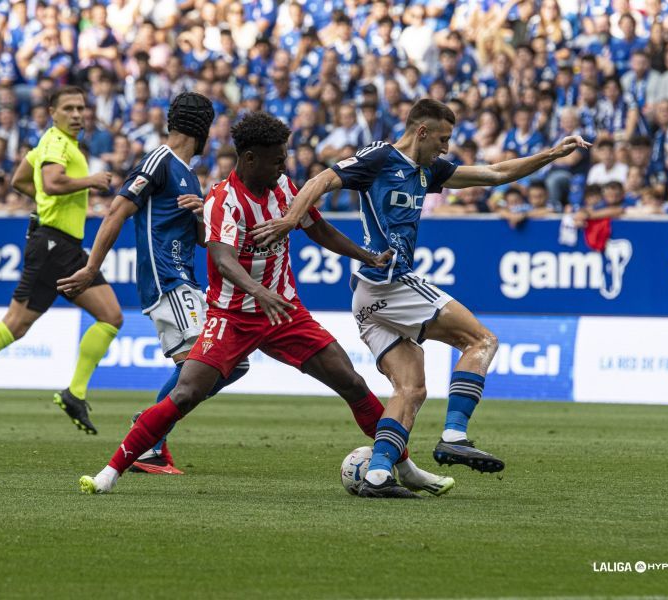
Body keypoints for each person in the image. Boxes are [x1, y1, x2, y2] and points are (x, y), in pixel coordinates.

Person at [78, 111, 455, 497]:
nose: (283, 165)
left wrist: (364, 255)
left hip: (286, 314)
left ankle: (402, 466)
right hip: (232, 316)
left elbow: (319, 228)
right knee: (186, 393)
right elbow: (223, 259)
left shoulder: (286, 190)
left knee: (351, 382)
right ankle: (111, 470)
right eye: (277, 159)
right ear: (250, 158)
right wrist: (258, 292)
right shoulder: (223, 200)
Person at [251, 99, 589, 498]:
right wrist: (292, 219)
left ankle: (377, 475)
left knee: (410, 390)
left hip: (366, 298)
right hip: (389, 281)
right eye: (443, 139)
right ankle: (454, 434)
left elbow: (495, 173)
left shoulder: (428, 170)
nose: (446, 148)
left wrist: (551, 153)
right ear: (422, 132)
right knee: (481, 340)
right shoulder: (379, 158)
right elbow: (319, 181)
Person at [57, 92, 249, 475]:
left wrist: (203, 213)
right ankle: (149, 440)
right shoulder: (159, 161)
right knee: (202, 362)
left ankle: (150, 423)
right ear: (204, 129)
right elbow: (117, 210)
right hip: (167, 281)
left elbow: (199, 239)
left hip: (187, 281)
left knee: (236, 363)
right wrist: (92, 267)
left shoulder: (188, 174)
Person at [0, 87, 122, 434]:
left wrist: (50, 201)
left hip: (58, 245)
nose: (77, 114)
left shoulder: (52, 142)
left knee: (19, 325)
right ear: (53, 112)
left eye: (81, 108)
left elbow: (21, 180)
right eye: (69, 108)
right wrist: (89, 181)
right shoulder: (59, 143)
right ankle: (72, 392)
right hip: (54, 246)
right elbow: (50, 181)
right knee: (106, 316)